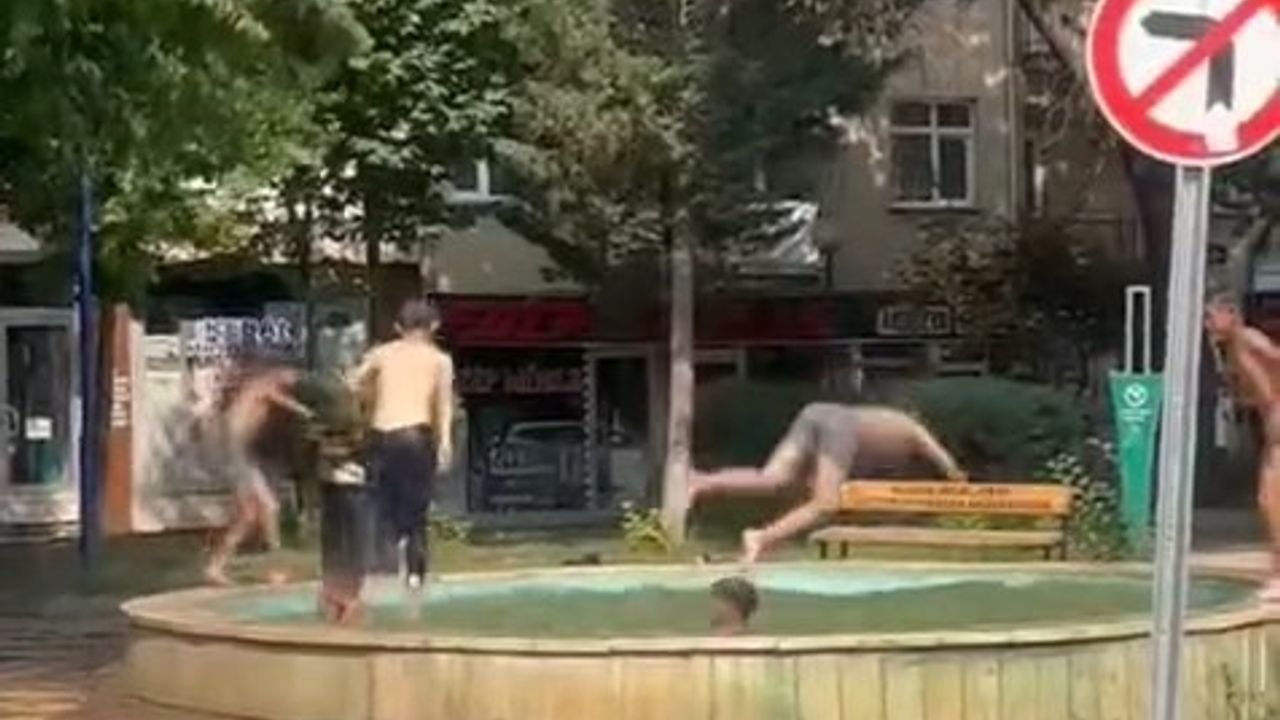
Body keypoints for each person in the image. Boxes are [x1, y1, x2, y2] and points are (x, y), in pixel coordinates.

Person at [689, 403, 965, 564]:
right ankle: (760, 538)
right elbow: (949, 466)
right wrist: (960, 481)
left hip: (816, 412)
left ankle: (701, 481)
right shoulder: (914, 431)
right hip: (842, 425)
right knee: (825, 504)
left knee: (773, 478)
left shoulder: (891, 424)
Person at [348, 299, 454, 591]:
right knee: (416, 509)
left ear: (398, 327)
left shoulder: (382, 353)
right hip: (415, 434)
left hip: (381, 434)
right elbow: (443, 405)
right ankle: (415, 572)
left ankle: (381, 567)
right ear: (434, 326)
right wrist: (445, 442)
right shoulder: (439, 360)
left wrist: (366, 401)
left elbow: (353, 383)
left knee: (382, 503)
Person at [205, 355, 313, 585]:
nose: (293, 381)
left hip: (242, 453)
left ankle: (216, 566)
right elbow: (283, 401)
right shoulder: (262, 385)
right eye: (291, 375)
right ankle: (276, 569)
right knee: (270, 507)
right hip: (240, 453)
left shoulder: (257, 389)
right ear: (278, 371)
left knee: (248, 516)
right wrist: (308, 412)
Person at [1205, 298, 1280, 599]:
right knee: (1268, 498)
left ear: (1231, 315)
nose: (1208, 324)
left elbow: (1275, 357)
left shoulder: (1248, 338)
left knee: (1272, 498)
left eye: (1212, 317)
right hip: (1271, 422)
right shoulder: (1231, 349)